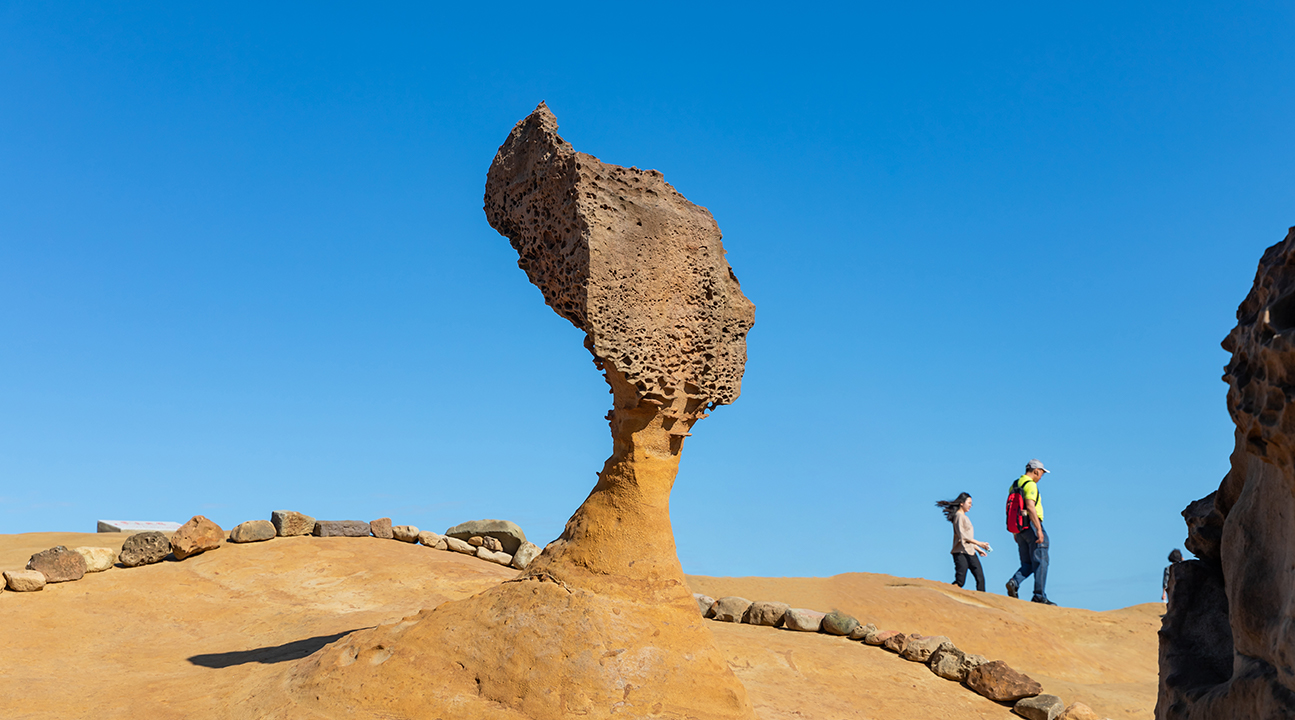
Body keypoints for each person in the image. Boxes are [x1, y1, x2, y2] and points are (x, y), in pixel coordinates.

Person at [1006, 458, 1055, 605]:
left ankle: (1014, 581)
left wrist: (1015, 531)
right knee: (1041, 562)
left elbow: (1011, 509)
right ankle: (1039, 596)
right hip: (1032, 526)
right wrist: (1039, 530)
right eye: (1041, 473)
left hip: (1019, 528)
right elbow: (1030, 507)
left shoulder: (1014, 485)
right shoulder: (1030, 485)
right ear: (1036, 471)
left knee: (1027, 563)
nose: (1041, 476)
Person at [936, 492, 990, 591]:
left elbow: (968, 539)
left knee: (980, 578)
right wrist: (980, 544)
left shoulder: (965, 517)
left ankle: (982, 600)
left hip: (970, 552)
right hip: (960, 553)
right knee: (960, 581)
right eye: (969, 503)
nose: (970, 505)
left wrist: (978, 549)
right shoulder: (959, 516)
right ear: (961, 503)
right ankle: (944, 594)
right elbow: (963, 536)